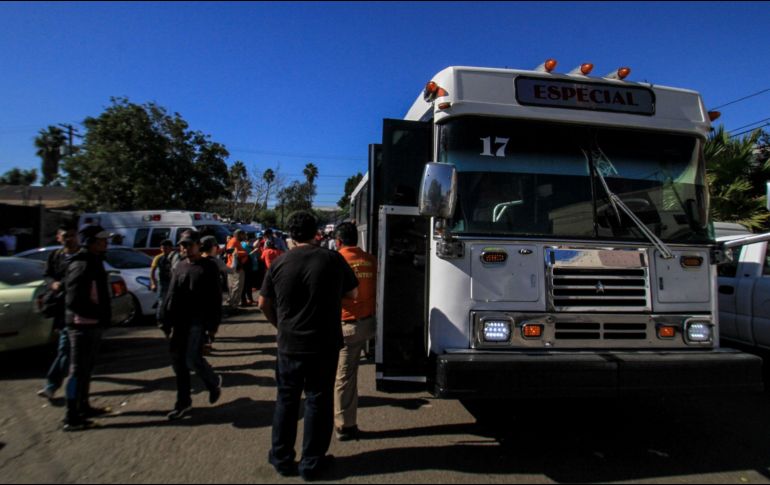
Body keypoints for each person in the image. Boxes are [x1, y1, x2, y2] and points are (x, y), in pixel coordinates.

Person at [259, 211, 358, 480]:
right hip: (323, 343)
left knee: (286, 400)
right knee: (318, 400)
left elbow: (263, 303)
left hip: (289, 344)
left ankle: (281, 458)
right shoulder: (332, 259)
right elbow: (353, 293)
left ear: (291, 235)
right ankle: (312, 463)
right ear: (315, 232)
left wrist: (280, 325)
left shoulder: (279, 263)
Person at [160, 232, 223, 420]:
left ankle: (212, 382)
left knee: (192, 360)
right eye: (183, 245)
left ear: (198, 245)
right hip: (179, 322)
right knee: (178, 364)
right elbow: (170, 294)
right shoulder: (180, 266)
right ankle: (183, 403)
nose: (185, 249)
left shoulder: (208, 267)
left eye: (189, 245)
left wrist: (213, 327)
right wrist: (164, 319)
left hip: (198, 322)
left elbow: (216, 299)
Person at [62, 225, 113, 431]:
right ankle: (71, 416)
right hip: (81, 326)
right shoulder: (81, 265)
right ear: (90, 242)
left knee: (86, 370)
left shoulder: (93, 261)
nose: (105, 243)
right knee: (77, 372)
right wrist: (98, 314)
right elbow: (74, 300)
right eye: (101, 240)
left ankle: (84, 406)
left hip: (91, 325)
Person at [332, 222, 377, 441]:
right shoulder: (370, 259)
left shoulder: (336, 261)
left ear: (338, 241)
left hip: (346, 325)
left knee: (345, 377)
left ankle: (345, 425)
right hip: (368, 324)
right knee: (349, 372)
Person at [37, 225, 79, 401]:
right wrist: (52, 284)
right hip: (63, 309)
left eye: (71, 235)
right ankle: (54, 386)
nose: (68, 238)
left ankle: (70, 392)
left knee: (69, 351)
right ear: (58, 238)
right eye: (65, 236)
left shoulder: (83, 256)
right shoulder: (55, 256)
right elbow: (47, 276)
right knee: (65, 349)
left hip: (79, 309)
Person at [150, 239, 174, 322]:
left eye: (166, 248)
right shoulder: (158, 258)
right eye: (162, 248)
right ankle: (160, 319)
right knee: (162, 301)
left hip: (173, 282)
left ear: (171, 248)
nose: (164, 250)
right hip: (163, 282)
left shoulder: (175, 257)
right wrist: (153, 283)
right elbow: (152, 271)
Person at [226, 229, 249, 310]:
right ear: (239, 234)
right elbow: (230, 251)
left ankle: (232, 304)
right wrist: (244, 253)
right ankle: (233, 306)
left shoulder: (235, 241)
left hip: (235, 267)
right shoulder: (234, 241)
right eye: (243, 235)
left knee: (233, 287)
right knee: (236, 287)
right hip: (236, 267)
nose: (244, 236)